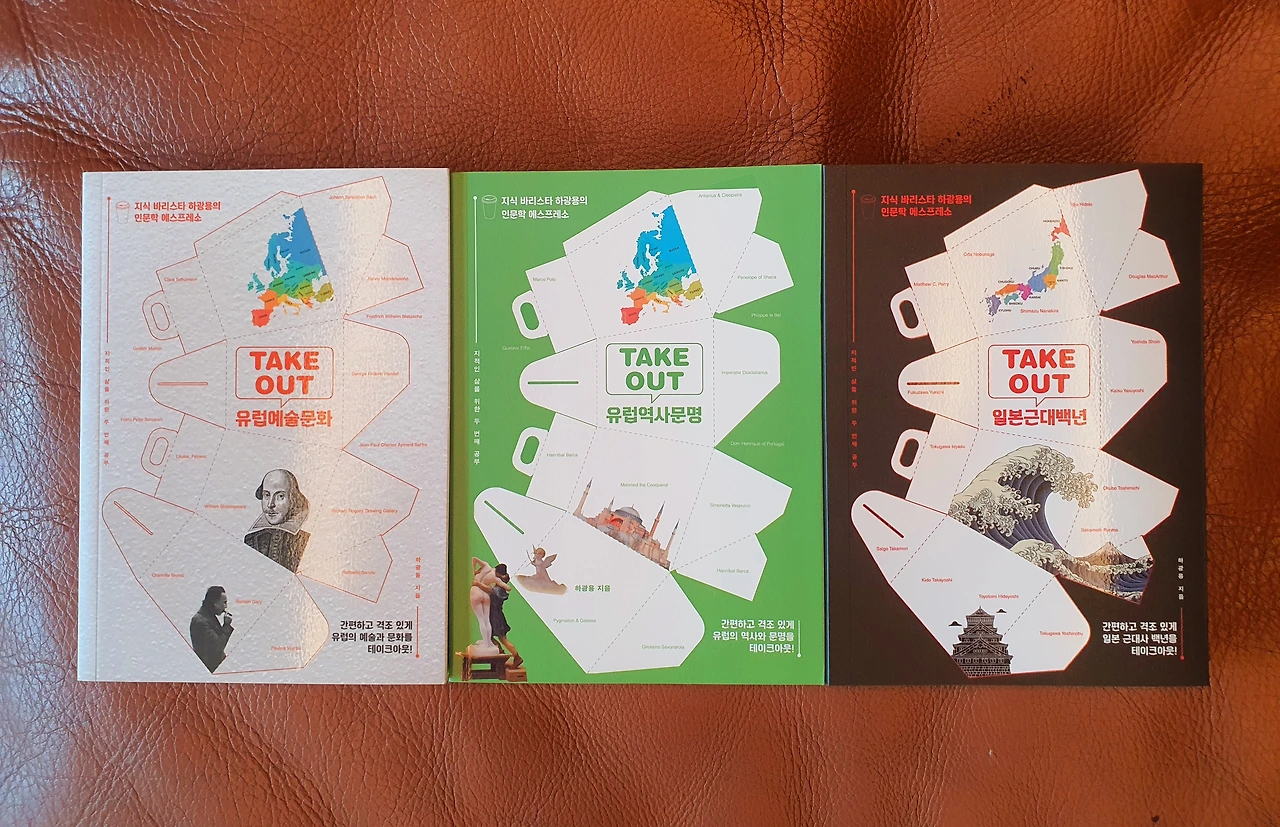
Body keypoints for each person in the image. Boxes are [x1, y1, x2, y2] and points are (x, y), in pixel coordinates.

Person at [244, 468, 311, 572]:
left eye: (280, 496)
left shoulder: (305, 540)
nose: (270, 504)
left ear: (293, 499)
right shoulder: (250, 540)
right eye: (266, 495)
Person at [190, 586, 234, 673]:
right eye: (224, 603)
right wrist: (226, 626)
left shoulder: (208, 616)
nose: (226, 606)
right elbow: (217, 646)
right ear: (215, 603)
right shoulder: (201, 621)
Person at [486, 564, 522, 669]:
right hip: (494, 616)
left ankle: (516, 657)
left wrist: (478, 584)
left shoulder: (499, 588)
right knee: (489, 636)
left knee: (502, 639)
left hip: (496, 617)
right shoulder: (498, 585)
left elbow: (490, 591)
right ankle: (500, 652)